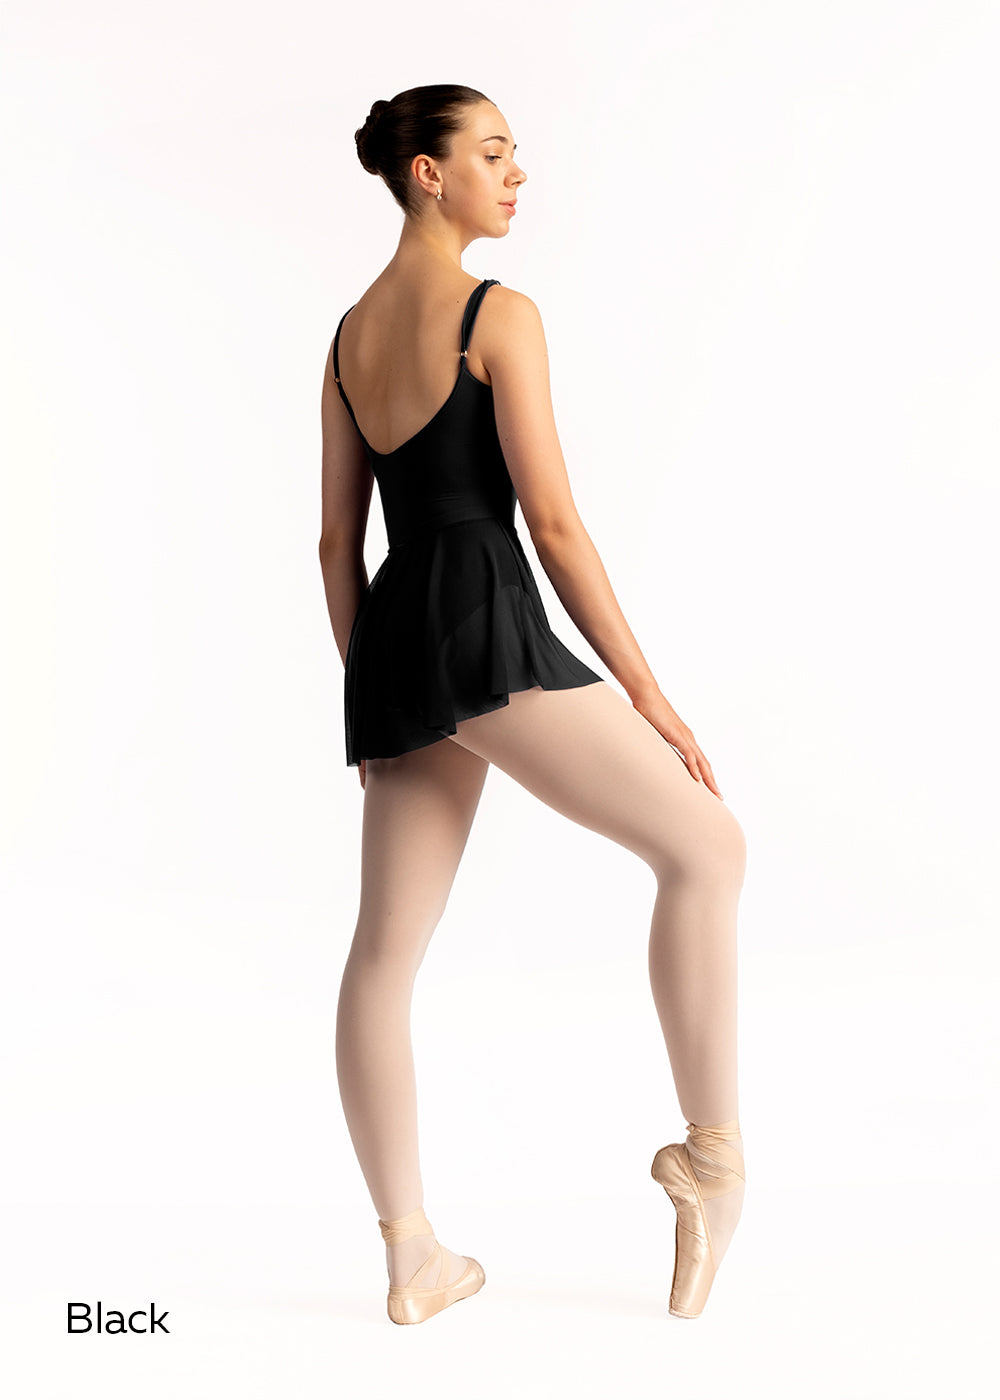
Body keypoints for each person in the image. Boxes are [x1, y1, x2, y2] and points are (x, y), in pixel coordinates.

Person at [319, 84, 748, 1325]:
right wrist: (651, 697)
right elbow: (551, 525)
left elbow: (337, 543)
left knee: (382, 955)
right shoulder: (495, 314)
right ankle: (711, 1156)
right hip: (480, 622)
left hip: (396, 640)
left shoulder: (346, 337)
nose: (517, 173)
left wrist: (368, 687)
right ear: (427, 172)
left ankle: (412, 1253)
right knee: (707, 845)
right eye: (494, 152)